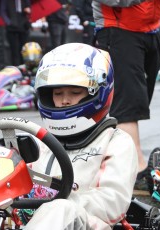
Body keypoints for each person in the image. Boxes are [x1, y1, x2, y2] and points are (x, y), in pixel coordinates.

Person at [23, 43, 138, 229]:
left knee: (60, 209)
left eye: (75, 92)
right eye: (57, 93)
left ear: (99, 93)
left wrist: (57, 200)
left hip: (87, 222)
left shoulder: (116, 142)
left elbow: (113, 203)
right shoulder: (39, 141)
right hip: (34, 219)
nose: (64, 100)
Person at [92, 0, 160, 192]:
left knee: (137, 102)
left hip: (151, 29)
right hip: (118, 30)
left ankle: (117, 162)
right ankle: (135, 172)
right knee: (127, 106)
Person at [0, 0, 32, 66]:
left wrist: (28, 10)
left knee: (23, 50)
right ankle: (16, 68)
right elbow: (2, 12)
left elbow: (29, 8)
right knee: (14, 51)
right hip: (12, 28)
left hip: (23, 27)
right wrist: (9, 22)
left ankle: (24, 67)